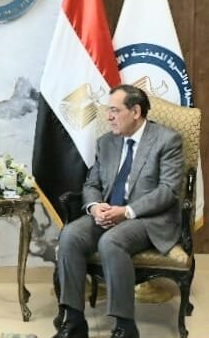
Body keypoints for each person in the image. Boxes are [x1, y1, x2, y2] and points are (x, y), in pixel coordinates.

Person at [55, 84, 184, 338]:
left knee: (111, 242)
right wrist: (95, 207)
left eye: (114, 110)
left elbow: (168, 191)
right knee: (70, 235)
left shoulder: (167, 140)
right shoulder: (106, 142)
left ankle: (125, 327)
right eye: (108, 110)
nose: (108, 117)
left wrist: (126, 211)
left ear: (135, 112)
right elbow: (92, 185)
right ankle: (74, 321)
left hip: (147, 218)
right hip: (108, 213)